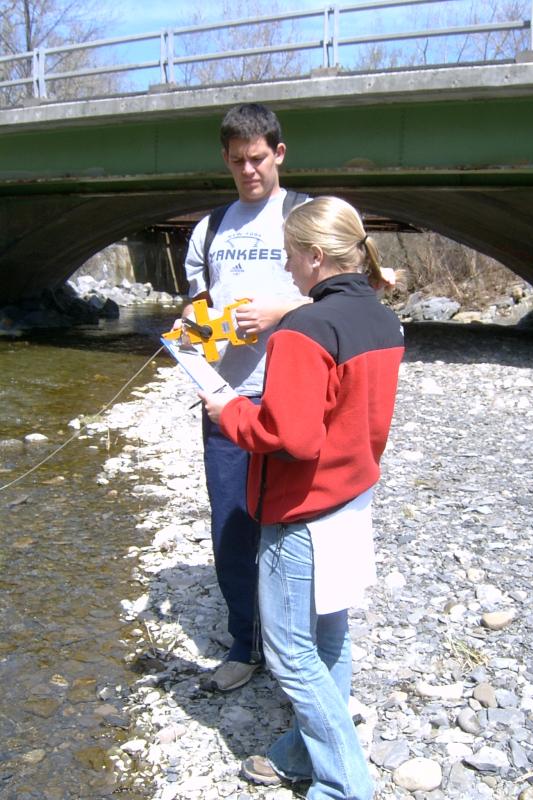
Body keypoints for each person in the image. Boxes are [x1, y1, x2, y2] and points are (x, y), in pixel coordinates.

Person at [199, 196, 405, 800]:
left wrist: (227, 408)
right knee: (330, 639)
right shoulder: (381, 319)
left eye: (291, 255)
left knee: (290, 656)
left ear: (315, 256)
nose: (286, 268)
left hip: (301, 517)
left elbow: (287, 435)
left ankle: (346, 787)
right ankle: (299, 751)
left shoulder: (304, 330)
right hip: (351, 502)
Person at [180, 103, 310, 692]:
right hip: (225, 402)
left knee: (296, 527)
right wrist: (193, 318)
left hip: (293, 398)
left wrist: (284, 309)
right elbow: (196, 303)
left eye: (258, 159)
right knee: (232, 524)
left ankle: (301, 648)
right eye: (237, 162)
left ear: (278, 153)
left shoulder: (306, 218)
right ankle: (245, 642)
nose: (249, 171)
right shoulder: (209, 227)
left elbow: (348, 297)